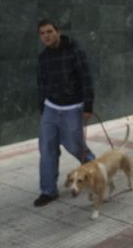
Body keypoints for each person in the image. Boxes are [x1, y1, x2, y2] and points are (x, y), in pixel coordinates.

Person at [34, 19, 96, 207]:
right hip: (51, 108)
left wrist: (88, 106)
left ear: (58, 32)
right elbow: (41, 84)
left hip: (72, 108)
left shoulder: (75, 51)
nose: (46, 36)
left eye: (49, 31)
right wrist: (42, 108)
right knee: (46, 148)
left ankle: (96, 172)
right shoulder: (43, 57)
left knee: (76, 147)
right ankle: (48, 191)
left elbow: (87, 79)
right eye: (42, 33)